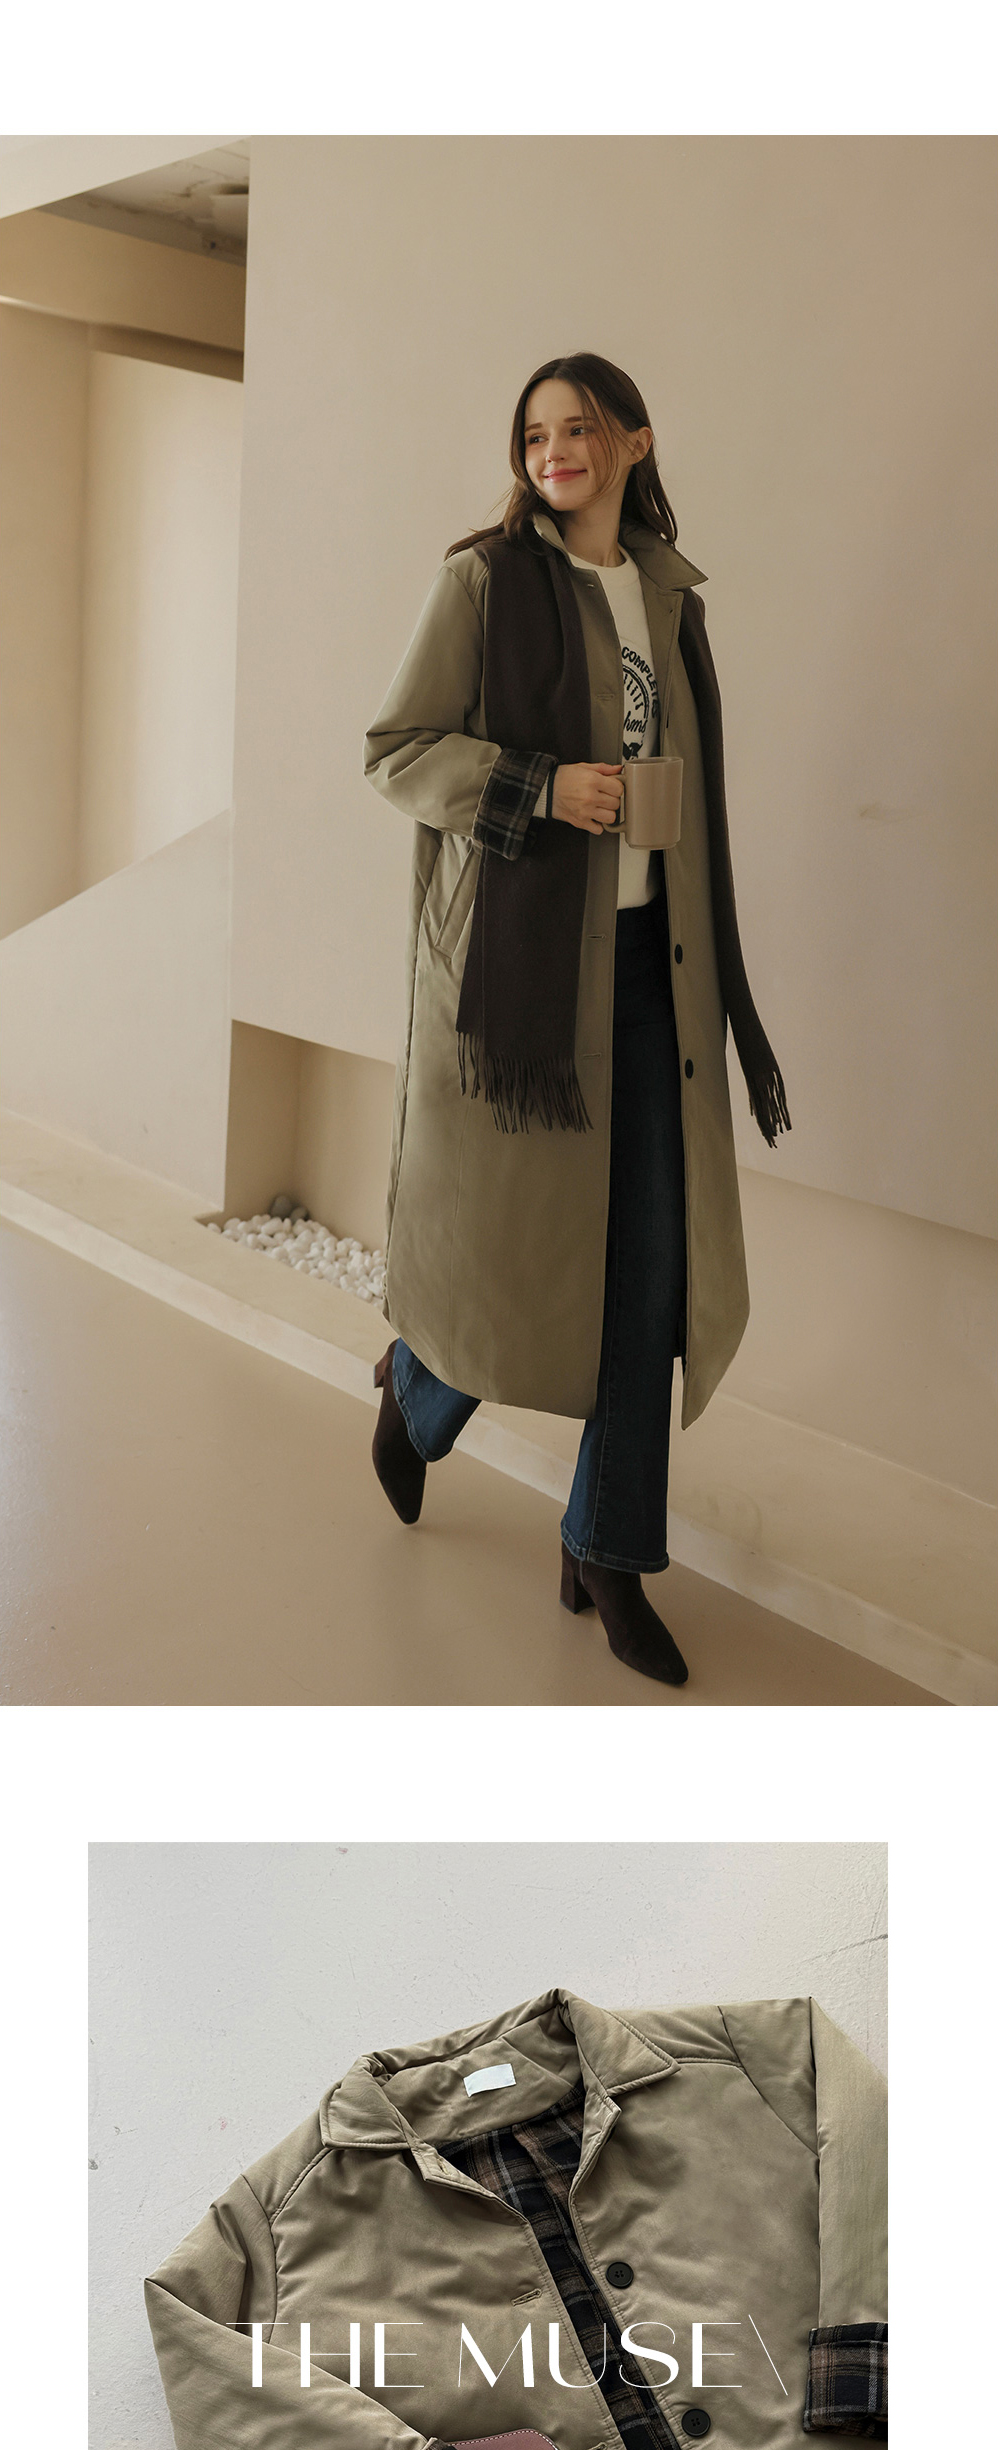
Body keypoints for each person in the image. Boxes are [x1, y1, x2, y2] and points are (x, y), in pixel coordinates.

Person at [363, 350, 790, 1692]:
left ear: (634, 441)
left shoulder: (668, 596)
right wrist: (542, 788)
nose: (554, 450)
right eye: (535, 433)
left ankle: (606, 1550)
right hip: (526, 984)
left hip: (654, 972)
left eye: (579, 427)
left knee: (646, 1277)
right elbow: (396, 751)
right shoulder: (482, 584)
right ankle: (417, 1391)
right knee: (513, 1263)